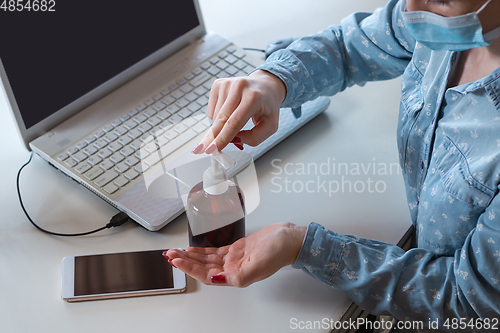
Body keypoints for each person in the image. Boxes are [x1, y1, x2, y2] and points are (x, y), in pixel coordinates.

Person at [165, 0, 500, 330]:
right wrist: (272, 82)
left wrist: (306, 247)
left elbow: (470, 304)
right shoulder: (441, 19)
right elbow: (349, 45)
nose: (409, 11)